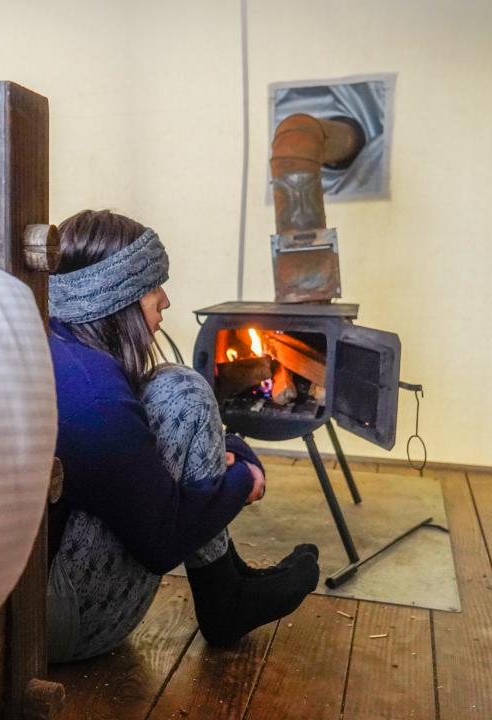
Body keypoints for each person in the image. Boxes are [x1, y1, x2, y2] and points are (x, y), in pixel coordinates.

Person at [46, 209, 319, 662]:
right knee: (182, 387)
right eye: (153, 286)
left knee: (167, 390)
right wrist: (241, 477)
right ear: (117, 295)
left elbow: (130, 471)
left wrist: (223, 450)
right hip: (54, 626)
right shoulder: (96, 401)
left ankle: (228, 585)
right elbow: (163, 540)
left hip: (14, 602)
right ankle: (224, 598)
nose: (165, 301)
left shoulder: (58, 346)